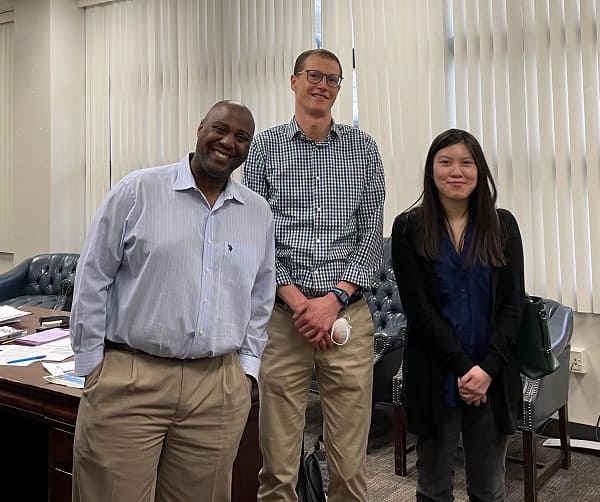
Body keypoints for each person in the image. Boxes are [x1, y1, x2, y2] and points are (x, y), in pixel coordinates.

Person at [70, 100, 276, 502]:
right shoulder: (138, 191)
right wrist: (92, 365)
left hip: (216, 388)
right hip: (132, 377)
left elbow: (260, 296)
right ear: (201, 127)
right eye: (220, 129)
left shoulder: (257, 212)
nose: (227, 142)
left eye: (241, 137)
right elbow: (93, 277)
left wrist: (246, 370)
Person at [243, 48, 386, 501]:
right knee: (277, 466)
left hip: (347, 315)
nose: (323, 85)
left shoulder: (363, 147)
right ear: (293, 81)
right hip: (285, 320)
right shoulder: (265, 146)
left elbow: (370, 234)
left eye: (333, 79)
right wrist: (300, 302)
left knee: (349, 466)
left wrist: (333, 300)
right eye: (314, 76)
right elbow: (256, 233)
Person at [391, 128, 525, 502]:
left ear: (479, 171)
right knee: (433, 488)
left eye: (467, 162)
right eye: (446, 162)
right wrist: (466, 368)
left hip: (491, 377)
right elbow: (418, 309)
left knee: (488, 488)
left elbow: (513, 306)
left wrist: (485, 371)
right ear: (431, 170)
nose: (456, 171)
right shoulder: (408, 228)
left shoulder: (503, 226)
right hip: (435, 374)